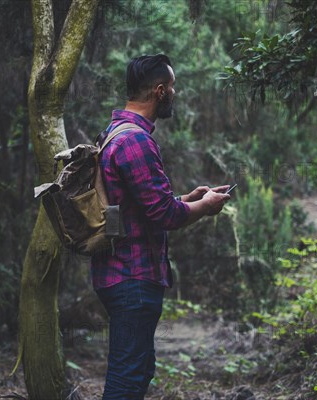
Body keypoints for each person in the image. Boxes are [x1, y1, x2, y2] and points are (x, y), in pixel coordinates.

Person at [91, 54, 231, 399]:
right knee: (126, 379)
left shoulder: (114, 133)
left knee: (138, 371)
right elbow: (165, 215)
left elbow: (139, 206)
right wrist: (205, 206)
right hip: (132, 278)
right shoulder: (135, 141)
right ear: (159, 91)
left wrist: (189, 197)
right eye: (172, 87)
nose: (175, 93)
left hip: (119, 275)